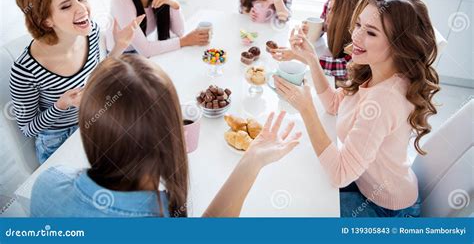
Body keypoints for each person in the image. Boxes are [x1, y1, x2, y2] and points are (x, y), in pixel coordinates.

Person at [30, 55, 301, 217]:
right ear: (173, 133)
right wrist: (252, 163)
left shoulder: (47, 183)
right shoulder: (161, 214)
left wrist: (250, 160)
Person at [274, 0, 440, 217]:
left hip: (386, 210)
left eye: (371, 32)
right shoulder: (375, 71)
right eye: (359, 24)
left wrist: (306, 109)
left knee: (297, 208)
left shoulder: (385, 99)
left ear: (399, 45)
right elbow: (334, 104)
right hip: (363, 184)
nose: (356, 36)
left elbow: (340, 173)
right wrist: (311, 59)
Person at [10, 0, 142, 164]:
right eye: (65, 6)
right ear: (45, 21)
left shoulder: (91, 32)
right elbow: (28, 128)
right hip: (58, 142)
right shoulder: (25, 70)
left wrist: (118, 48)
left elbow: (98, 76)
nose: (82, 9)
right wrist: (61, 105)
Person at [272, 0, 379, 81]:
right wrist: (310, 30)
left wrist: (300, 57)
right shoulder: (330, 7)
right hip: (330, 63)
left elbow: (346, 68)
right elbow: (323, 28)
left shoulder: (363, 28)